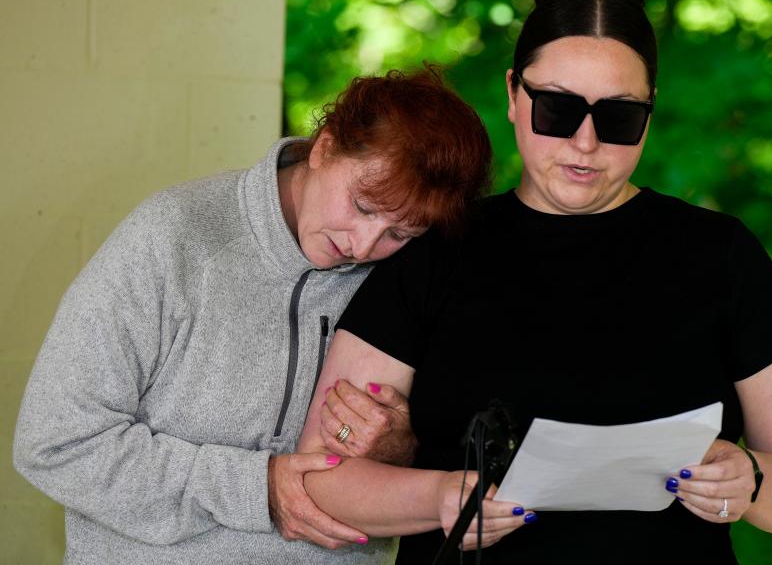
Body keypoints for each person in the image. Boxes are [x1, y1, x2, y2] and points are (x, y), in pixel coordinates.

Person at [297, 0, 772, 563]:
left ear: (650, 114)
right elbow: (324, 474)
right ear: (512, 93)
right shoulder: (435, 250)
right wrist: (442, 497)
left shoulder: (722, 255)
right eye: (557, 109)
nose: (585, 143)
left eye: (618, 117)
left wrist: (753, 479)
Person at [13, 67, 503, 564]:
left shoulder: (404, 275)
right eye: (361, 205)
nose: (363, 244)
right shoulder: (174, 236)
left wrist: (399, 449)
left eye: (399, 234)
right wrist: (258, 486)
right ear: (325, 147)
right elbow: (55, 443)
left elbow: (426, 465)